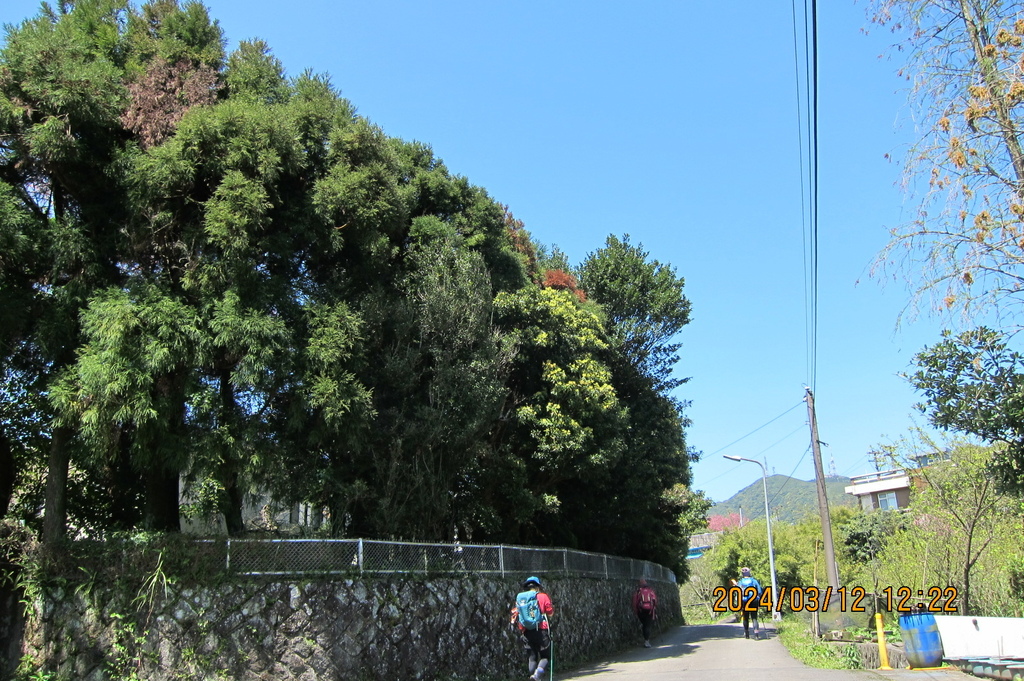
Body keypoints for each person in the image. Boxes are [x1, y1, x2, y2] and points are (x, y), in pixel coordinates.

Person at [510, 576, 555, 681]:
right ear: (538, 586)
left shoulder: (521, 598)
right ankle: (537, 676)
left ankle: (532, 677)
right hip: (541, 630)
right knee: (545, 657)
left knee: (532, 658)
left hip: (526, 631)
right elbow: (550, 613)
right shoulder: (543, 596)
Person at [731, 566, 762, 639]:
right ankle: (756, 635)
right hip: (754, 600)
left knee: (745, 617)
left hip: (744, 601)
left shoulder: (740, 582)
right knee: (754, 618)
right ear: (749, 573)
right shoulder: (754, 581)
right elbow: (760, 591)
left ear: (742, 574)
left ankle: (747, 633)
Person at [631, 578, 658, 648]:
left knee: (644, 625)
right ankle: (647, 641)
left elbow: (634, 602)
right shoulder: (651, 591)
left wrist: (636, 611)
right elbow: (655, 600)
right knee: (647, 625)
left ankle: (646, 640)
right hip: (650, 611)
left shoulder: (638, 592)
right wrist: (654, 609)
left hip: (641, 611)